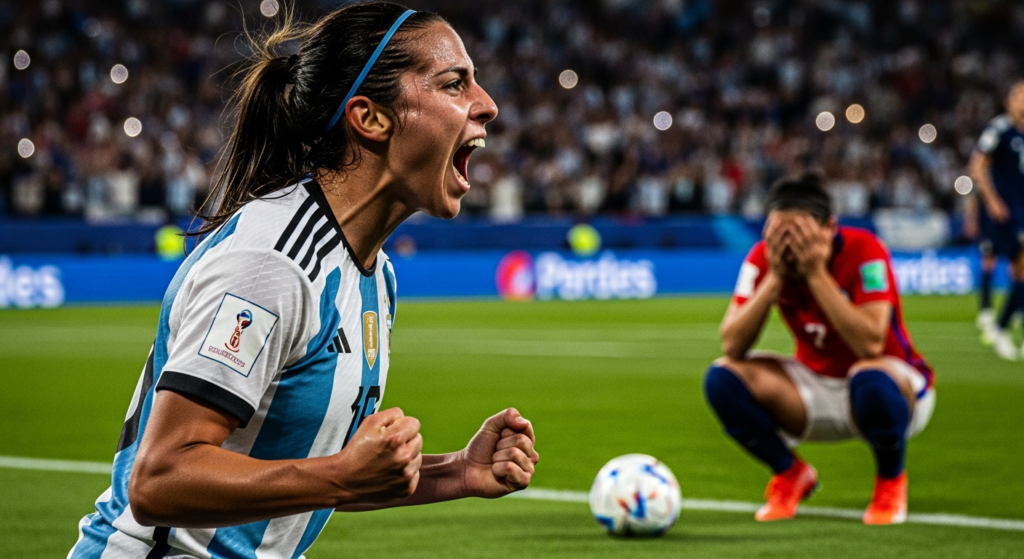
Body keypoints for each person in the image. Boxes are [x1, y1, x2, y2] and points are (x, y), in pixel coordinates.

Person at [68, 4, 539, 558]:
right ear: (370, 118)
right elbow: (160, 480)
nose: (487, 106)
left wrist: (456, 472)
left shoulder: (373, 274)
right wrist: (341, 474)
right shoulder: (272, 262)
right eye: (454, 83)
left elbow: (310, 472)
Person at [703, 174, 936, 525]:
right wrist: (776, 278)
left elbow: (870, 344)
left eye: (798, 232)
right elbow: (732, 343)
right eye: (779, 233)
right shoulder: (764, 259)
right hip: (815, 386)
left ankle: (890, 481)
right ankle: (790, 473)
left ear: (829, 228)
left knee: (868, 375)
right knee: (722, 378)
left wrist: (815, 274)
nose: (788, 243)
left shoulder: (864, 250)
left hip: (894, 387)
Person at [969, 81, 1024, 360]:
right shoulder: (998, 130)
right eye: (1019, 95)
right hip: (1002, 211)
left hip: (1021, 210)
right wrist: (991, 201)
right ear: (1009, 101)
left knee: (1020, 269)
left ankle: (1005, 324)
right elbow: (976, 166)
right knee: (991, 259)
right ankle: (991, 314)